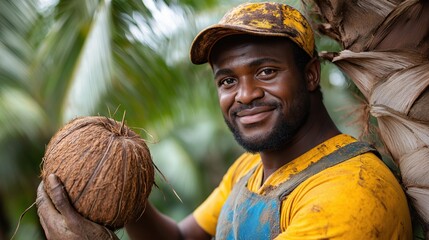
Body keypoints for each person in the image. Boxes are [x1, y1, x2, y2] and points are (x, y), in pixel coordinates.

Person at [36, 2, 413, 239]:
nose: (244, 94)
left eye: (266, 72)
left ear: (311, 75)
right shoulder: (250, 170)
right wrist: (126, 189)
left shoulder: (351, 195)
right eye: (227, 80)